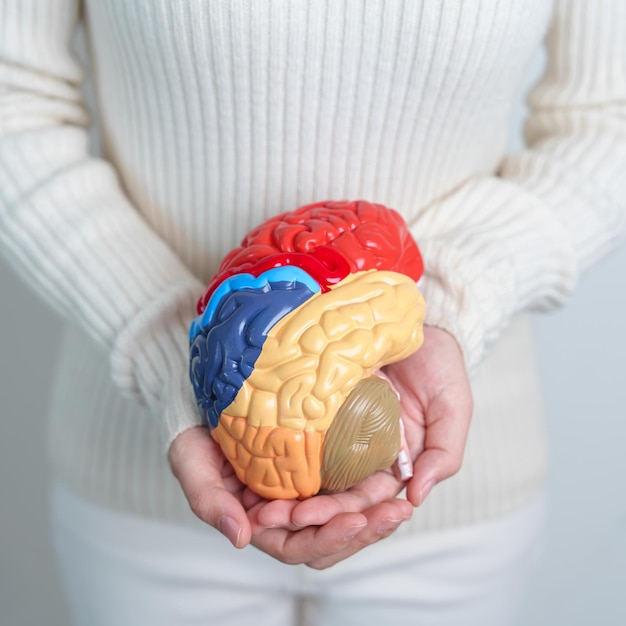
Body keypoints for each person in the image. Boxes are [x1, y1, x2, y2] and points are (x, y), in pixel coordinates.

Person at [0, 1, 624, 624]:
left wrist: (454, 302)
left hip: (459, 507)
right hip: (140, 506)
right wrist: (171, 346)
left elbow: (605, 123)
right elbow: (14, 100)